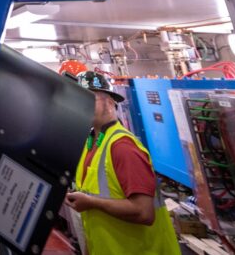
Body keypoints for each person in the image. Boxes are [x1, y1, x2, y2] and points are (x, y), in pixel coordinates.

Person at [64, 71, 180, 255]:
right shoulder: (92, 142)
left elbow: (144, 212)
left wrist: (91, 202)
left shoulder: (122, 146)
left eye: (89, 98)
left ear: (110, 102)